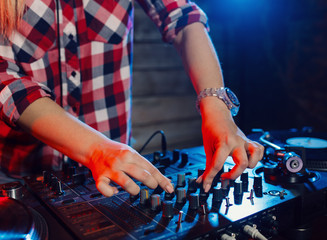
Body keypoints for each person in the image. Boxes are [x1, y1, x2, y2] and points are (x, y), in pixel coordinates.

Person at [0, 0, 264, 197]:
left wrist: (216, 105)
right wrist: (95, 148)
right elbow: (6, 80)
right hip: (20, 178)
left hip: (113, 178)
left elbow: (181, 16)